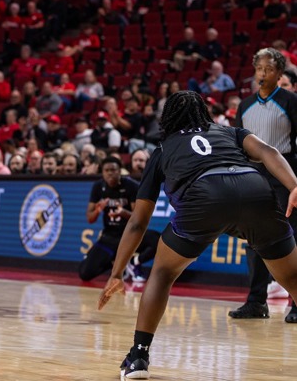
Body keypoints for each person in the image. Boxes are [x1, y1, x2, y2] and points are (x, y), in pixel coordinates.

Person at [98, 91, 297, 380]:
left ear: (167, 118)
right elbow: (270, 152)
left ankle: (138, 356)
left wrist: (117, 273)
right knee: (292, 278)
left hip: (204, 197)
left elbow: (138, 223)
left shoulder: (164, 149)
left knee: (163, 273)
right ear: (203, 112)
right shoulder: (229, 131)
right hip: (253, 188)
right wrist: (294, 186)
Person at [229, 48, 297, 322]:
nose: (262, 74)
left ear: (279, 73)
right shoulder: (245, 105)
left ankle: (296, 303)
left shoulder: (290, 101)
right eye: (259, 68)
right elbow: (237, 144)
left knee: (292, 238)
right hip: (252, 176)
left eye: (268, 69)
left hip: (285, 174)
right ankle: (256, 301)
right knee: (254, 240)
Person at [80, 157, 159, 282]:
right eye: (107, 170)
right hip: (109, 237)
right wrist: (98, 210)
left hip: (130, 235)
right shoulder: (98, 187)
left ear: (120, 171)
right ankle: (117, 263)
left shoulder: (131, 186)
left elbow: (139, 217)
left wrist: (124, 213)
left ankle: (133, 262)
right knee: (84, 273)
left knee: (158, 240)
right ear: (103, 172)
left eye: (113, 170)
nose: (110, 173)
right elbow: (90, 219)